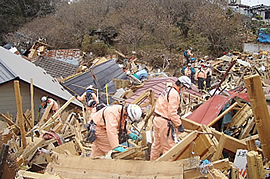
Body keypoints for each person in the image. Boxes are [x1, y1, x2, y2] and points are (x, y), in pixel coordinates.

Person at [150, 76, 191, 161]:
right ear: (182, 85)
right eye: (185, 87)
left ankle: (152, 164)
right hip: (164, 122)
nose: (185, 90)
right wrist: (179, 124)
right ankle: (167, 170)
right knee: (169, 148)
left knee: (157, 145)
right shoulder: (174, 94)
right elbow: (172, 113)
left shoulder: (167, 89)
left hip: (157, 119)